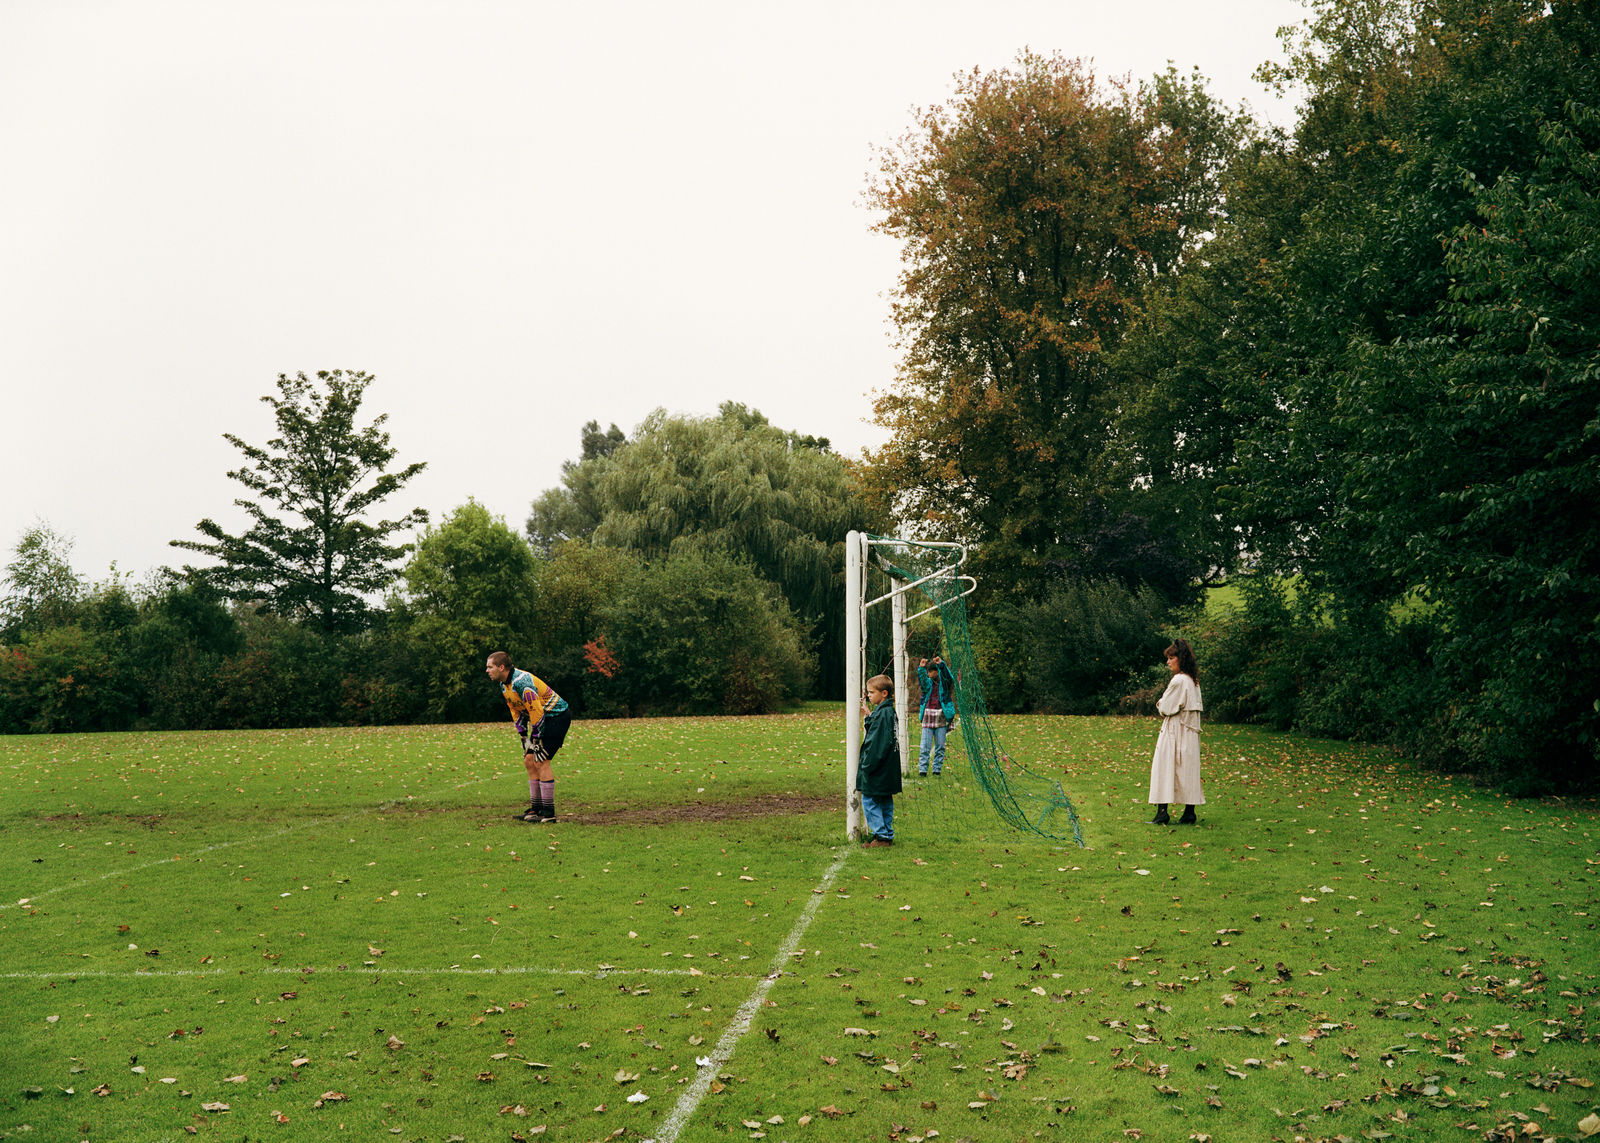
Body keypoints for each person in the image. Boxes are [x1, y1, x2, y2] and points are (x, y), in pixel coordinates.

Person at [485, 651, 572, 824]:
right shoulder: (504, 685)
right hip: (542, 719)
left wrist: (537, 740)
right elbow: (515, 710)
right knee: (529, 760)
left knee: (541, 761)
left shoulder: (521, 682)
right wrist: (524, 737)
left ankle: (549, 813)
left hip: (557, 717)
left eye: (490, 667)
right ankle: (536, 809)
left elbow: (536, 711)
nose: (487, 670)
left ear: (501, 667)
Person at [1147, 638, 1203, 825]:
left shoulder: (1179, 680)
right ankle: (1189, 812)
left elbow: (1166, 707)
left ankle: (1162, 812)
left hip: (1175, 731)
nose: (1168, 662)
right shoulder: (1193, 681)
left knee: (1164, 767)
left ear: (1181, 658)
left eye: (1171, 658)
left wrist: (1160, 703)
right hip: (1189, 733)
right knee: (1188, 770)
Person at [857, 673, 901, 847]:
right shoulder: (886, 712)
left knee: (870, 800)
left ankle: (881, 837)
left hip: (879, 768)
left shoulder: (884, 715)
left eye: (871, 692)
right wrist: (869, 716)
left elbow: (879, 743)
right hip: (888, 768)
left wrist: (867, 766)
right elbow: (878, 729)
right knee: (884, 800)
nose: (868, 696)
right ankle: (887, 834)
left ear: (884, 693)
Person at [915, 653, 956, 776]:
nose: (928, 674)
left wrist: (941, 665)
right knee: (924, 746)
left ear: (936, 671)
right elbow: (922, 681)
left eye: (930, 672)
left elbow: (948, 677)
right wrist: (921, 668)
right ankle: (922, 770)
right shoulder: (928, 684)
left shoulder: (944, 683)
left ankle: (936, 770)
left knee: (940, 746)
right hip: (928, 717)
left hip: (941, 718)